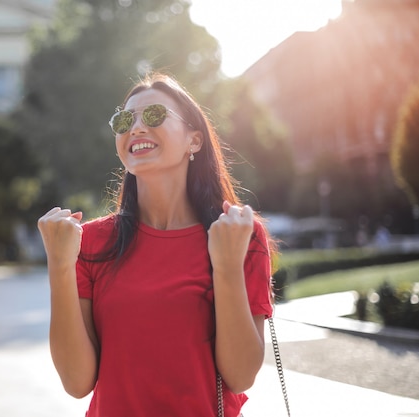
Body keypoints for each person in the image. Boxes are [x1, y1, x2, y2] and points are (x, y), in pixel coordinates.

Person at [37, 73, 274, 417]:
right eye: (123, 120)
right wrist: (59, 267)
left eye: (154, 116)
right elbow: (76, 382)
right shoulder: (88, 243)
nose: (135, 128)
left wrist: (225, 266)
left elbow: (240, 375)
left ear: (194, 140)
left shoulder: (238, 235)